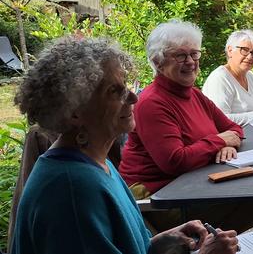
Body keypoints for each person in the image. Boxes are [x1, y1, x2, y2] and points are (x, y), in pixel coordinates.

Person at [10, 36, 238, 254]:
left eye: (126, 86)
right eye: (114, 91)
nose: (133, 98)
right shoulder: (72, 189)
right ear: (73, 112)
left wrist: (161, 243)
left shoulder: (95, 163)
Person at [120, 20, 244, 197]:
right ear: (158, 62)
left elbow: (234, 129)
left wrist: (227, 147)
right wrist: (219, 141)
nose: (191, 62)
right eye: (180, 56)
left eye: (194, 54)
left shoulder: (194, 94)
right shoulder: (151, 103)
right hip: (159, 195)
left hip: (196, 183)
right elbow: (174, 162)